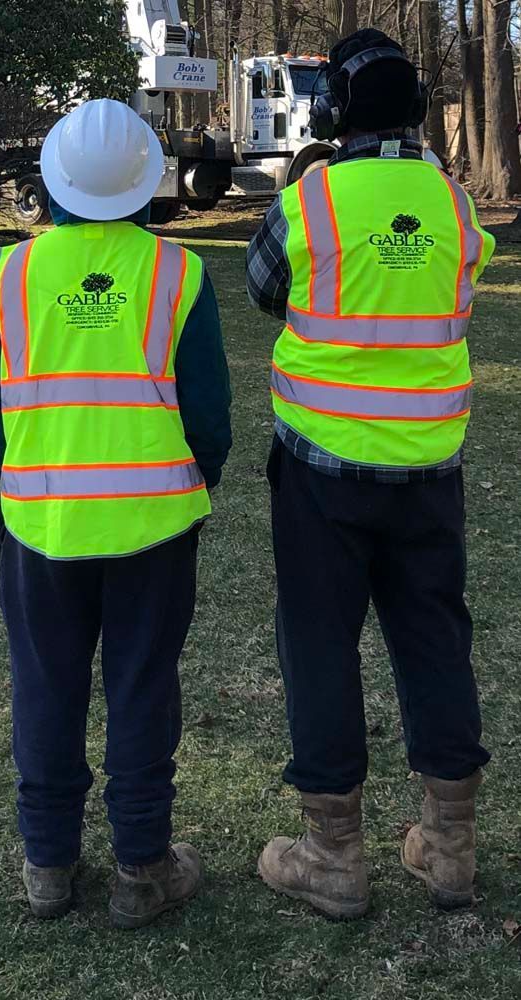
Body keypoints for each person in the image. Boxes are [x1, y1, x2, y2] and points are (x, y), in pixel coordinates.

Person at [246, 29, 495, 919]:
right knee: (433, 641)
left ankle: (332, 854)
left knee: (318, 643)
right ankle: (449, 848)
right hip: (428, 470)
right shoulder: (455, 204)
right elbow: (457, 293)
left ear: (334, 112)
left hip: (322, 473)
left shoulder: (311, 201)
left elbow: (263, 288)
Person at [0, 99, 231, 927]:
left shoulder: (11, 274)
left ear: (56, 179)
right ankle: (141, 867)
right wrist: (193, 482)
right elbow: (210, 417)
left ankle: (47, 865)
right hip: (152, 525)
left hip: (39, 526)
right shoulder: (177, 274)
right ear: (143, 183)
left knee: (45, 691)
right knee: (142, 690)